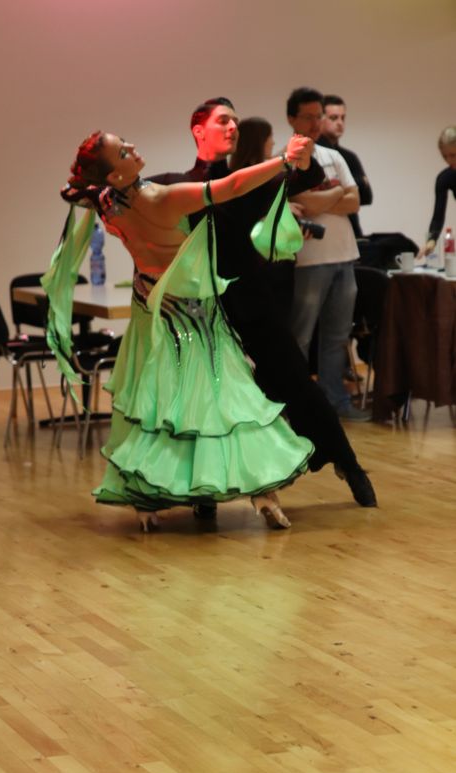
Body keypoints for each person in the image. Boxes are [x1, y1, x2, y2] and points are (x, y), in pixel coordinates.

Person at [43, 128, 316, 531]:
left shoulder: (107, 204)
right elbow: (231, 186)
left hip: (152, 311)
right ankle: (261, 493)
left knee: (159, 405)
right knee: (225, 399)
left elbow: (74, 193)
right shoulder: (161, 199)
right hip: (193, 315)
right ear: (115, 174)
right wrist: (284, 160)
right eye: (123, 152)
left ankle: (148, 498)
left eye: (126, 143)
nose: (133, 147)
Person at [151, 98, 377, 507]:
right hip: (205, 309)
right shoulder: (181, 183)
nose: (232, 126)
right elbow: (139, 197)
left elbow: (303, 177)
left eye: (236, 120)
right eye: (223, 120)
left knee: (295, 381)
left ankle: (348, 463)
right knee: (205, 399)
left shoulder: (248, 178)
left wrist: (302, 160)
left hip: (252, 302)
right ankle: (204, 495)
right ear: (199, 130)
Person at [286, 87, 371, 423]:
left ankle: (336, 403)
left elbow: (355, 201)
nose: (315, 123)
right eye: (308, 116)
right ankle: (297, 407)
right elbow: (301, 204)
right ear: (291, 119)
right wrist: (336, 194)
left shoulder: (333, 156)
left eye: (318, 116)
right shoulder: (285, 160)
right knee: (301, 336)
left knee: (337, 337)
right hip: (309, 261)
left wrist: (323, 200)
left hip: (344, 255)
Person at [318, 94, 373, 238]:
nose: (340, 123)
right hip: (324, 232)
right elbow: (316, 197)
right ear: (320, 119)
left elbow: (366, 197)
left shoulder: (349, 156)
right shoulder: (313, 155)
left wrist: (336, 186)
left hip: (352, 233)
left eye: (343, 118)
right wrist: (357, 183)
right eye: (334, 118)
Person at [419, 125, 456, 258]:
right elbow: (438, 216)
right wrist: (432, 240)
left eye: (453, 155)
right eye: (445, 156)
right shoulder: (445, 178)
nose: (449, 161)